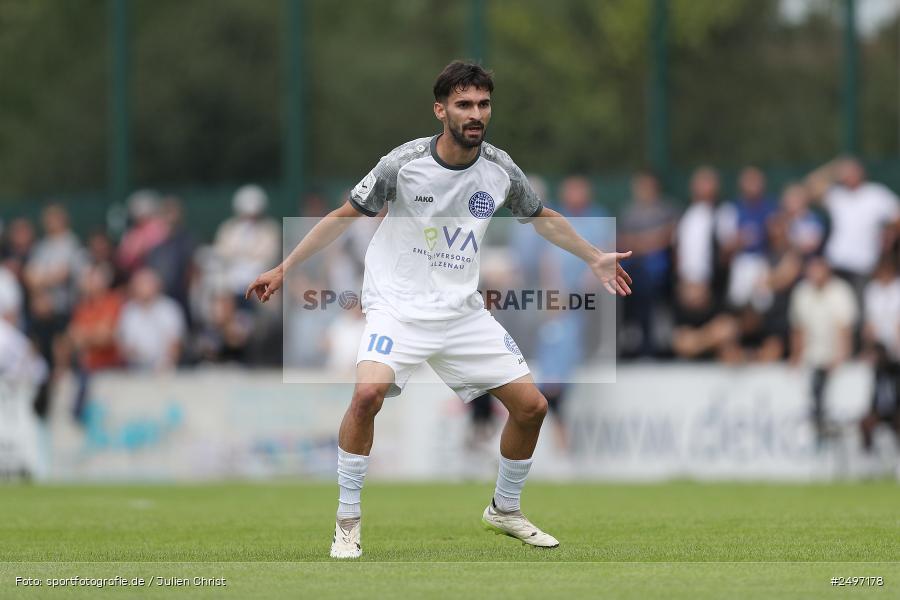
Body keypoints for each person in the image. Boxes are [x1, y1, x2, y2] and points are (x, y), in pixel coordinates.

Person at [245, 61, 632, 558]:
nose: (476, 114)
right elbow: (344, 216)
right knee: (367, 395)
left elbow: (542, 217)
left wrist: (593, 256)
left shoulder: (499, 169)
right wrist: (285, 267)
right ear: (440, 110)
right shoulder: (402, 164)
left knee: (532, 407)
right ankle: (347, 521)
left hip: (461, 312)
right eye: (464, 104)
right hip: (397, 307)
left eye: (483, 104)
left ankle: (505, 508)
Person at [789, 256, 857, 444]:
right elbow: (798, 329)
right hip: (811, 358)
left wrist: (841, 357)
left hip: (833, 358)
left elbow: (845, 329)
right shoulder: (801, 292)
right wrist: (796, 356)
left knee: (833, 402)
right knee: (808, 399)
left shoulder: (840, 291)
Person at [118, 268, 186, 371]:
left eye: (147, 284)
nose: (143, 288)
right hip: (136, 368)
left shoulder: (169, 308)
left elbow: (176, 343)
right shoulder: (128, 311)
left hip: (166, 368)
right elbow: (125, 344)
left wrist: (166, 362)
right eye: (140, 284)